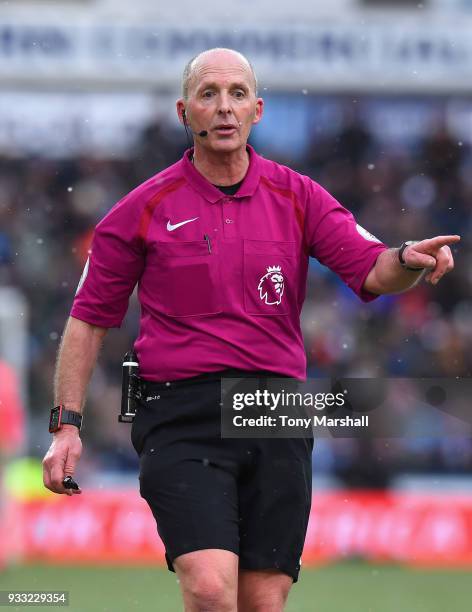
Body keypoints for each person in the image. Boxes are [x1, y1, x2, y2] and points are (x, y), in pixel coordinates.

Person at [42, 48, 460, 612]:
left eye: (237, 94)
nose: (224, 108)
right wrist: (66, 426)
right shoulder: (140, 210)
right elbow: (88, 319)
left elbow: (372, 266)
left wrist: (409, 257)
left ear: (257, 110)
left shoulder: (299, 195)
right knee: (212, 589)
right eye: (208, 94)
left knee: (263, 601)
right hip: (180, 413)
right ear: (183, 111)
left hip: (274, 411)